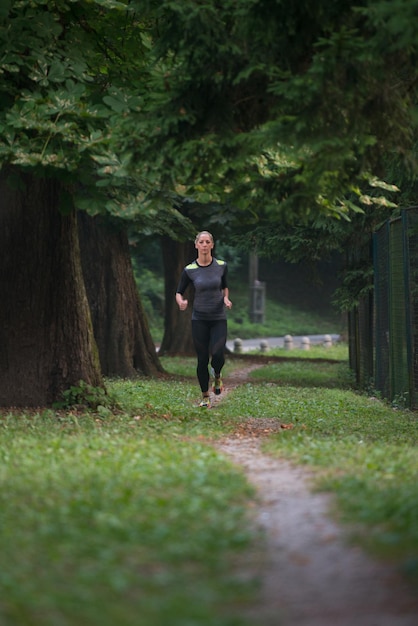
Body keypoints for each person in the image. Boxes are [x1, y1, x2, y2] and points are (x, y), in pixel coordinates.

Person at [176, 230, 232, 407]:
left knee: (217, 354)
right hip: (199, 318)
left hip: (218, 318)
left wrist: (226, 298)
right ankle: (205, 397)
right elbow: (179, 291)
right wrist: (181, 301)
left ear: (212, 245)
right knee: (202, 359)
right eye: (202, 242)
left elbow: (225, 286)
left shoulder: (221, 266)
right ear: (196, 245)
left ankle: (217, 376)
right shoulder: (190, 270)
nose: (205, 245)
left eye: (208, 242)